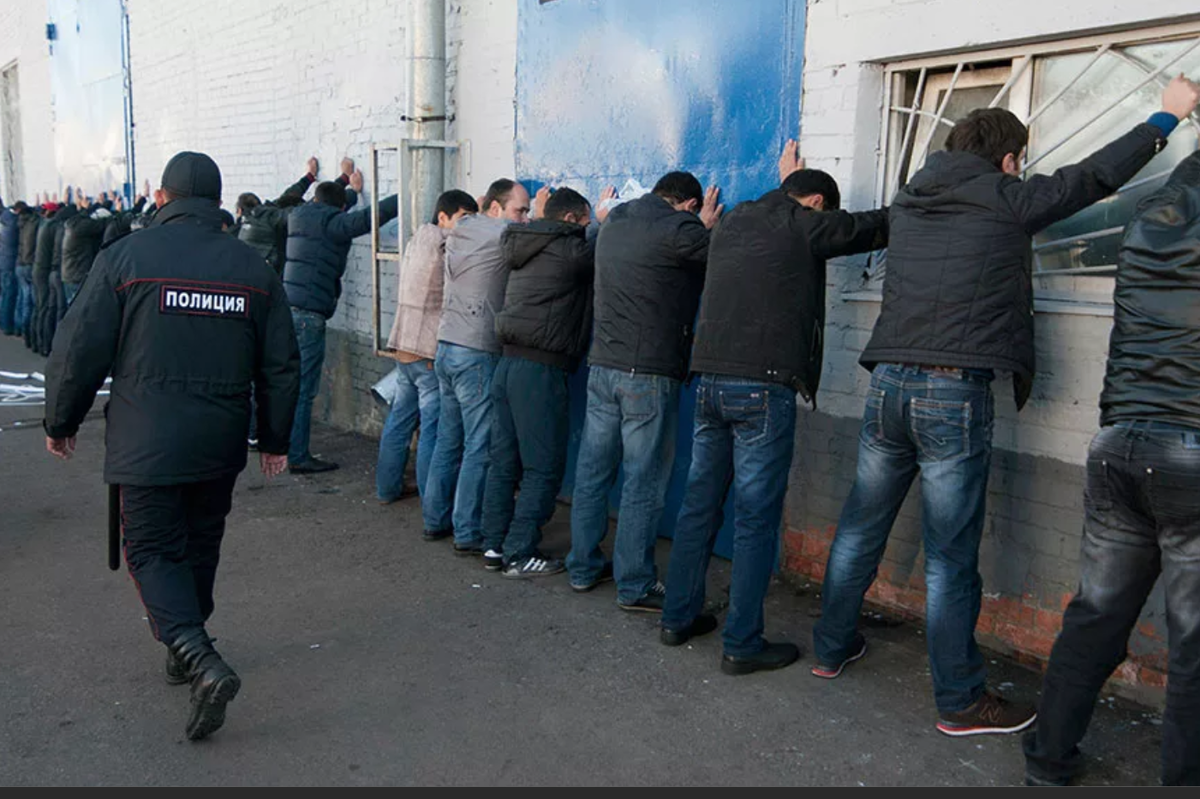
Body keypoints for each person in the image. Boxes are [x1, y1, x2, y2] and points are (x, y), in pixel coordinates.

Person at [812, 75, 1200, 737]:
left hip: (887, 384)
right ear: (1008, 159)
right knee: (949, 555)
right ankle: (960, 700)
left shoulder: (910, 198)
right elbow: (1092, 178)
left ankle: (829, 647)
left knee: (857, 525)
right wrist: (1163, 119)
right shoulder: (1005, 198)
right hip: (950, 393)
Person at [43, 152, 299, 741]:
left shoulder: (127, 258)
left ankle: (199, 656)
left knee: (153, 551)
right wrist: (275, 438)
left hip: (146, 438)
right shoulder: (252, 268)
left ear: (161, 199)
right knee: (201, 542)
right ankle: (185, 647)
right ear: (216, 202)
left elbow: (79, 347)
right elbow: (282, 364)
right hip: (219, 439)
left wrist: (62, 420)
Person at [662, 143, 889, 674]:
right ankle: (742, 643)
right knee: (755, 520)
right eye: (822, 209)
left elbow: (786, 205)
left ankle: (677, 617)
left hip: (710, 382)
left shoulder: (737, 218)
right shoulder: (806, 225)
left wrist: (788, 181)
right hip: (762, 388)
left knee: (698, 507)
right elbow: (869, 226)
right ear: (814, 202)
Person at [1023, 148, 1200, 788]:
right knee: (1193, 646)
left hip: (1120, 442)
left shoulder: (1147, 223)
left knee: (1095, 616)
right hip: (1192, 451)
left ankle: (1047, 758)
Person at [566, 172, 721, 611]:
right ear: (689, 204)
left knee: (592, 472)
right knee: (644, 480)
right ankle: (633, 583)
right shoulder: (681, 228)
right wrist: (706, 228)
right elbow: (724, 257)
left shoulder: (614, 222)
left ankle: (582, 567)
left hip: (603, 367)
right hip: (647, 374)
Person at [480, 187, 604, 577]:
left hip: (508, 363)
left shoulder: (525, 241)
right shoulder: (569, 251)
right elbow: (600, 252)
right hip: (540, 370)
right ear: (571, 220)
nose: (586, 228)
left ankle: (494, 545)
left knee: (504, 462)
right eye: (583, 222)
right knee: (543, 467)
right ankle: (520, 552)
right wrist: (602, 220)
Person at [422, 178, 535, 552]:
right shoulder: (497, 233)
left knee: (448, 439)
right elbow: (528, 237)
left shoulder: (462, 230)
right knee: (479, 445)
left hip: (447, 346)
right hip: (476, 351)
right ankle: (467, 531)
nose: (524, 219)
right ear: (495, 209)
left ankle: (435, 518)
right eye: (520, 210)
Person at [283, 165, 398, 474]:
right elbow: (364, 219)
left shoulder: (299, 216)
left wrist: (350, 188)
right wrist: (408, 192)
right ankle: (297, 456)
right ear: (339, 208)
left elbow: (332, 201)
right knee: (306, 389)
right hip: (309, 317)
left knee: (289, 385)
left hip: (287, 312)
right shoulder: (333, 224)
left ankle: (283, 447)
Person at [375, 189, 478, 505]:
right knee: (432, 430)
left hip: (403, 345)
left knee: (400, 422)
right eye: (463, 219)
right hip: (428, 350)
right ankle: (431, 501)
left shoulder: (417, 238)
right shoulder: (445, 244)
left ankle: (387, 489)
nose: (467, 227)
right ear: (443, 216)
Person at [62, 192, 112, 306]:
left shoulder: (72, 225)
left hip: (69, 275)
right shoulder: (81, 228)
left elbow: (89, 218)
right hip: (77, 277)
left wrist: (98, 204)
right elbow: (103, 223)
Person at [16, 197, 40, 341]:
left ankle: (19, 328)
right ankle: (28, 331)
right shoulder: (33, 224)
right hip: (29, 265)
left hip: (19, 264)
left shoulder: (20, 223)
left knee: (22, 298)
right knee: (31, 301)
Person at [0, 198, 22, 335]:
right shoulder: (10, 221)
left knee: (5, 294)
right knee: (10, 294)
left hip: (3, 262)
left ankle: (4, 322)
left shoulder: (4, 220)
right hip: (9, 262)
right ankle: (7, 325)